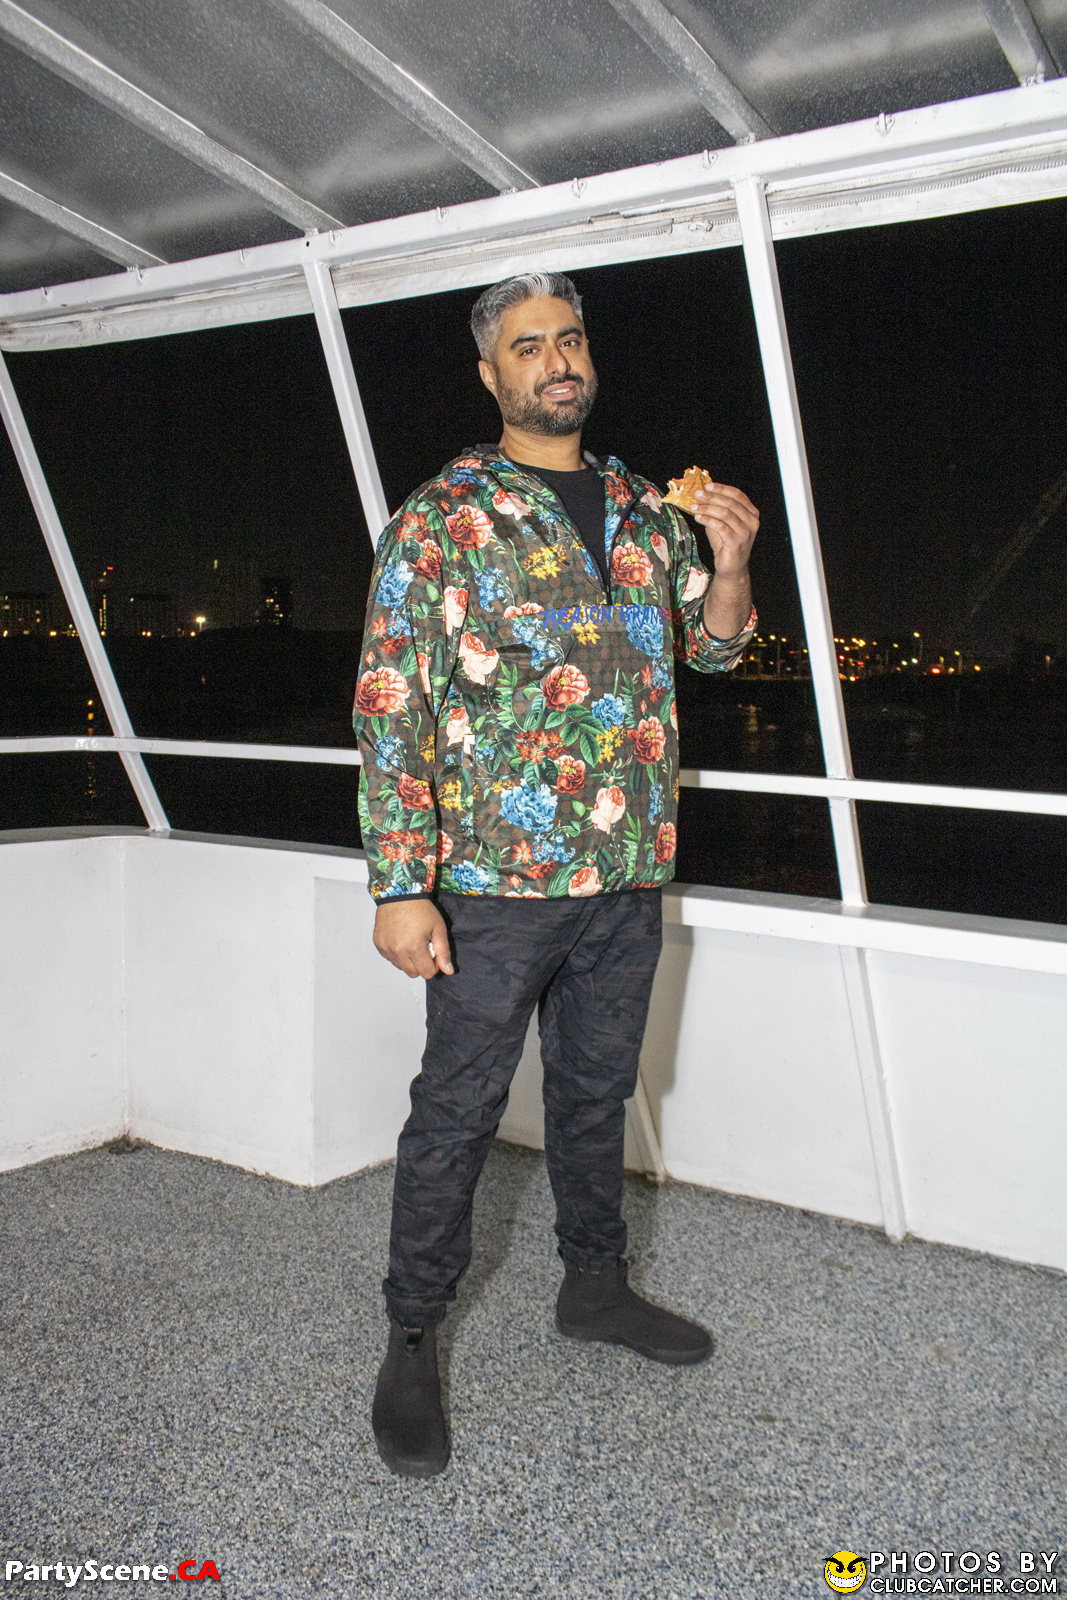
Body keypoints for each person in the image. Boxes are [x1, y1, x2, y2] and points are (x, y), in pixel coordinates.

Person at [354, 271, 758, 1477]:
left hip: (624, 873)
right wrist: (398, 883)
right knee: (457, 1112)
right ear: (492, 374)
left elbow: (714, 651)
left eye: (568, 338)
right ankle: (411, 1336)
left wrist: (730, 561)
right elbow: (389, 702)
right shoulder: (443, 517)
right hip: (490, 880)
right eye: (527, 346)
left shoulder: (644, 508)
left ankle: (594, 1286)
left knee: (593, 1096)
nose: (555, 361)